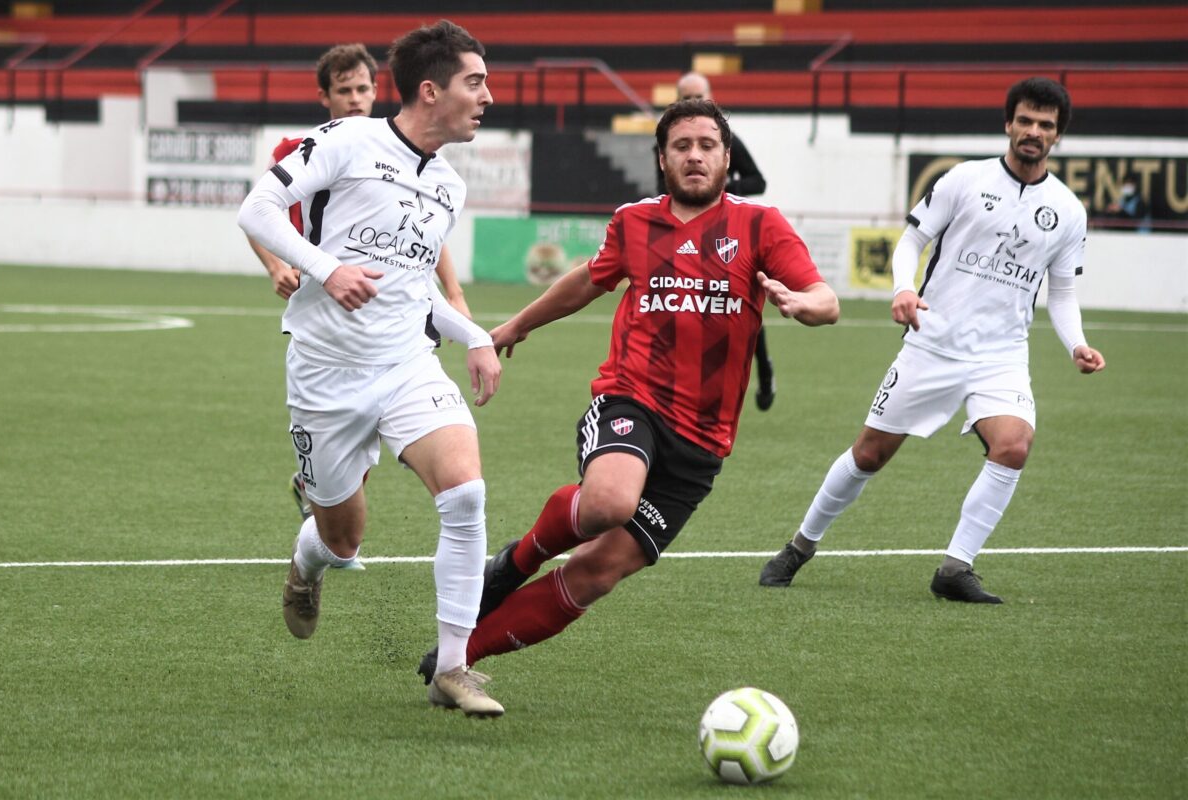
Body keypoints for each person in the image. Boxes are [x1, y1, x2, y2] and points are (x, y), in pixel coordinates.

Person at [416, 98, 839, 685]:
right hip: (631, 398)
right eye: (682, 146)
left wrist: (801, 303)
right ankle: (519, 560)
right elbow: (588, 280)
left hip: (704, 441)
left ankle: (457, 663)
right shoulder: (636, 220)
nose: (695, 156)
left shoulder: (760, 225)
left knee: (597, 572)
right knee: (609, 503)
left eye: (707, 146)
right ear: (662, 159)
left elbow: (826, 299)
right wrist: (518, 324)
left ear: (726, 156)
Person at [238, 20, 505, 717]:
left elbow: (416, 290)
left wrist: (473, 333)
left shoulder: (448, 186)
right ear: (430, 89)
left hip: (406, 364)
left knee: (467, 494)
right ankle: (308, 564)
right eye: (475, 82)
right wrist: (326, 269)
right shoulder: (349, 139)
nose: (488, 96)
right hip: (326, 375)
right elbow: (257, 208)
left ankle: (454, 666)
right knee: (343, 536)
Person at [759, 77, 1107, 603]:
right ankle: (800, 546)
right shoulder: (964, 179)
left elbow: (1061, 292)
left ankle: (955, 569)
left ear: (1057, 136)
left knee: (1014, 445)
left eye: (1046, 125)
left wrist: (1075, 344)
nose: (1034, 132)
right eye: (1026, 121)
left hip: (1002, 355)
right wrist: (903, 289)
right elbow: (913, 240)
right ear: (1008, 123)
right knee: (870, 454)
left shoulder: (1067, 211)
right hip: (932, 342)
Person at [242, 44, 473, 525]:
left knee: (461, 490)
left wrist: (454, 296)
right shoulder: (316, 146)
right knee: (339, 502)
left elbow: (423, 240)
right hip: (327, 315)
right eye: (343, 90)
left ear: (377, 90)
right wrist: (279, 267)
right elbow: (260, 212)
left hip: (395, 330)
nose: (355, 98)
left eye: (363, 88)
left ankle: (328, 485)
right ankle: (320, 491)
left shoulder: (424, 166)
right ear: (324, 97)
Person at [656, 73, 776, 412]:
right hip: (677, 233)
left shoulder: (725, 141)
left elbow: (759, 181)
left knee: (738, 306)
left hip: (727, 233)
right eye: (685, 97)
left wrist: (718, 192)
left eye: (698, 96)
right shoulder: (666, 139)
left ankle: (764, 370)